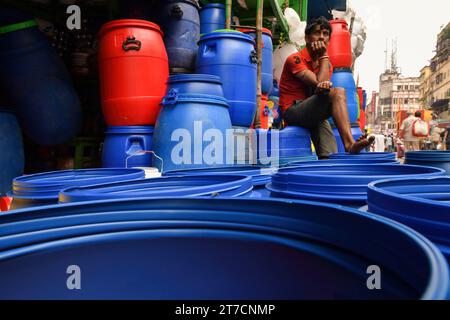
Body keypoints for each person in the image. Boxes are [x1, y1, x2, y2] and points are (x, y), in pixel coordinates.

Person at [278, 17, 374, 159]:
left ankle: (334, 161)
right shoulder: (295, 59)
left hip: (312, 112)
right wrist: (324, 55)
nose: (322, 37)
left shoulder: (326, 65)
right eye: (317, 33)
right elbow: (318, 82)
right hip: (292, 112)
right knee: (337, 92)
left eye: (325, 34)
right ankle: (349, 144)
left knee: (330, 156)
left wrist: (323, 64)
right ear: (307, 38)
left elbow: (321, 90)